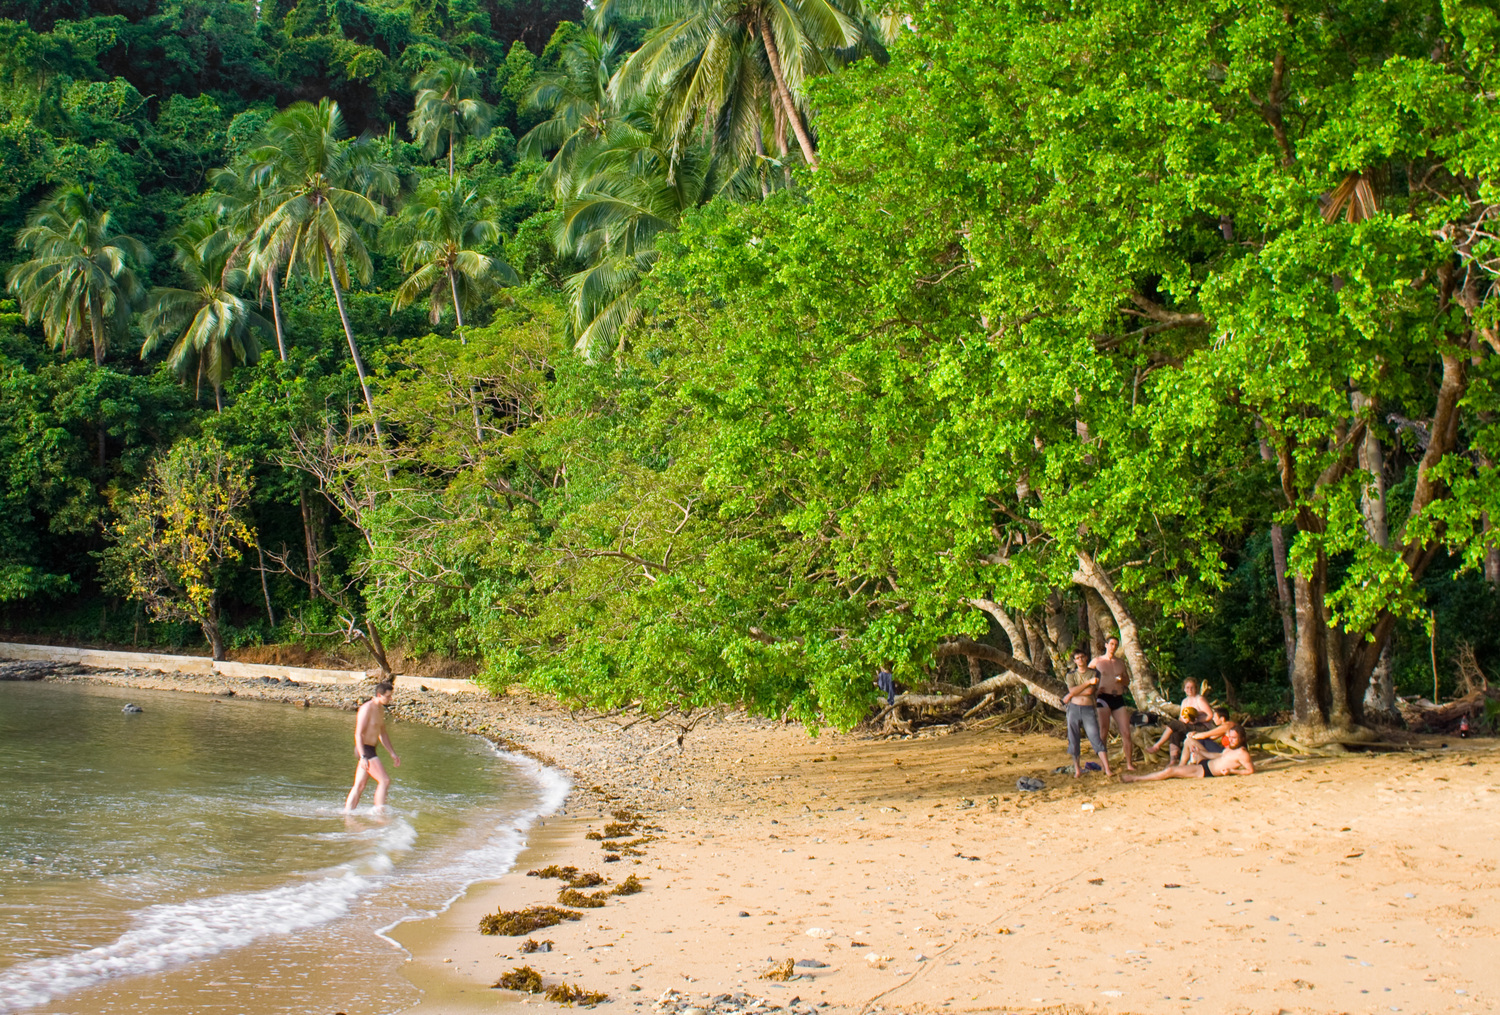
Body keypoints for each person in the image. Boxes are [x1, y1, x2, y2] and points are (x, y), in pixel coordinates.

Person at [1121, 726, 1255, 782]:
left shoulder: (1242, 753)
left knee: (1170, 771)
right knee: (1190, 740)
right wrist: (1200, 752)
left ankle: (1136, 778)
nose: (1230, 740)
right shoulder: (1229, 749)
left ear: (1241, 738)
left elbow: (1250, 770)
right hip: (1208, 762)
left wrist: (1232, 771)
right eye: (1230, 737)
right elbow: (1218, 757)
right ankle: (1182, 764)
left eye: (1234, 738)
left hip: (1205, 770)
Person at [344, 680, 401, 812]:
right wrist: (363, 756)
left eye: (391, 696)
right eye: (388, 696)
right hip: (365, 749)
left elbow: (383, 734)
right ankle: (379, 814)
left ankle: (347, 813)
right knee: (384, 781)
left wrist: (392, 753)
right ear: (379, 695)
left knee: (360, 785)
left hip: (371, 749)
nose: (390, 699)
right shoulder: (367, 709)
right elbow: (358, 734)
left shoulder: (380, 709)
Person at [1063, 649, 1112, 778]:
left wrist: (1072, 693)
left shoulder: (1094, 673)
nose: (1080, 660)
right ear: (1074, 661)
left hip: (1088, 709)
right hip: (1074, 708)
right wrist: (1086, 683)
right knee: (1073, 738)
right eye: (1077, 658)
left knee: (1095, 737)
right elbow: (1072, 689)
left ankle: (1107, 768)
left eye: (1082, 657)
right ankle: (1077, 769)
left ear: (1086, 658)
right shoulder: (1071, 675)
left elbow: (1090, 691)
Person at [1089, 635, 1135, 771]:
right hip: (1103, 697)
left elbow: (1127, 681)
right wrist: (1094, 690)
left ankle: (1129, 764)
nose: (1113, 647)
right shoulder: (1097, 661)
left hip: (1118, 697)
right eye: (1111, 644)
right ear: (1106, 645)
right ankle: (1104, 764)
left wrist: (1122, 680)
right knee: (1104, 731)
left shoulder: (1120, 663)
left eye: (1115, 644)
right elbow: (1085, 676)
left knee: (1126, 732)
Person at [1146, 678, 1215, 763]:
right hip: (1190, 726)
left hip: (1201, 727)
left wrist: (1197, 720)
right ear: (1184, 689)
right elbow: (1181, 718)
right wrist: (1184, 720)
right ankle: (1173, 760)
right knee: (1175, 733)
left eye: (1192, 687)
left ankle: (1157, 745)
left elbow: (1210, 715)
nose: (1190, 689)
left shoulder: (1199, 699)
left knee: (1173, 724)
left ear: (1196, 688)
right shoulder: (1184, 701)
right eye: (1188, 687)